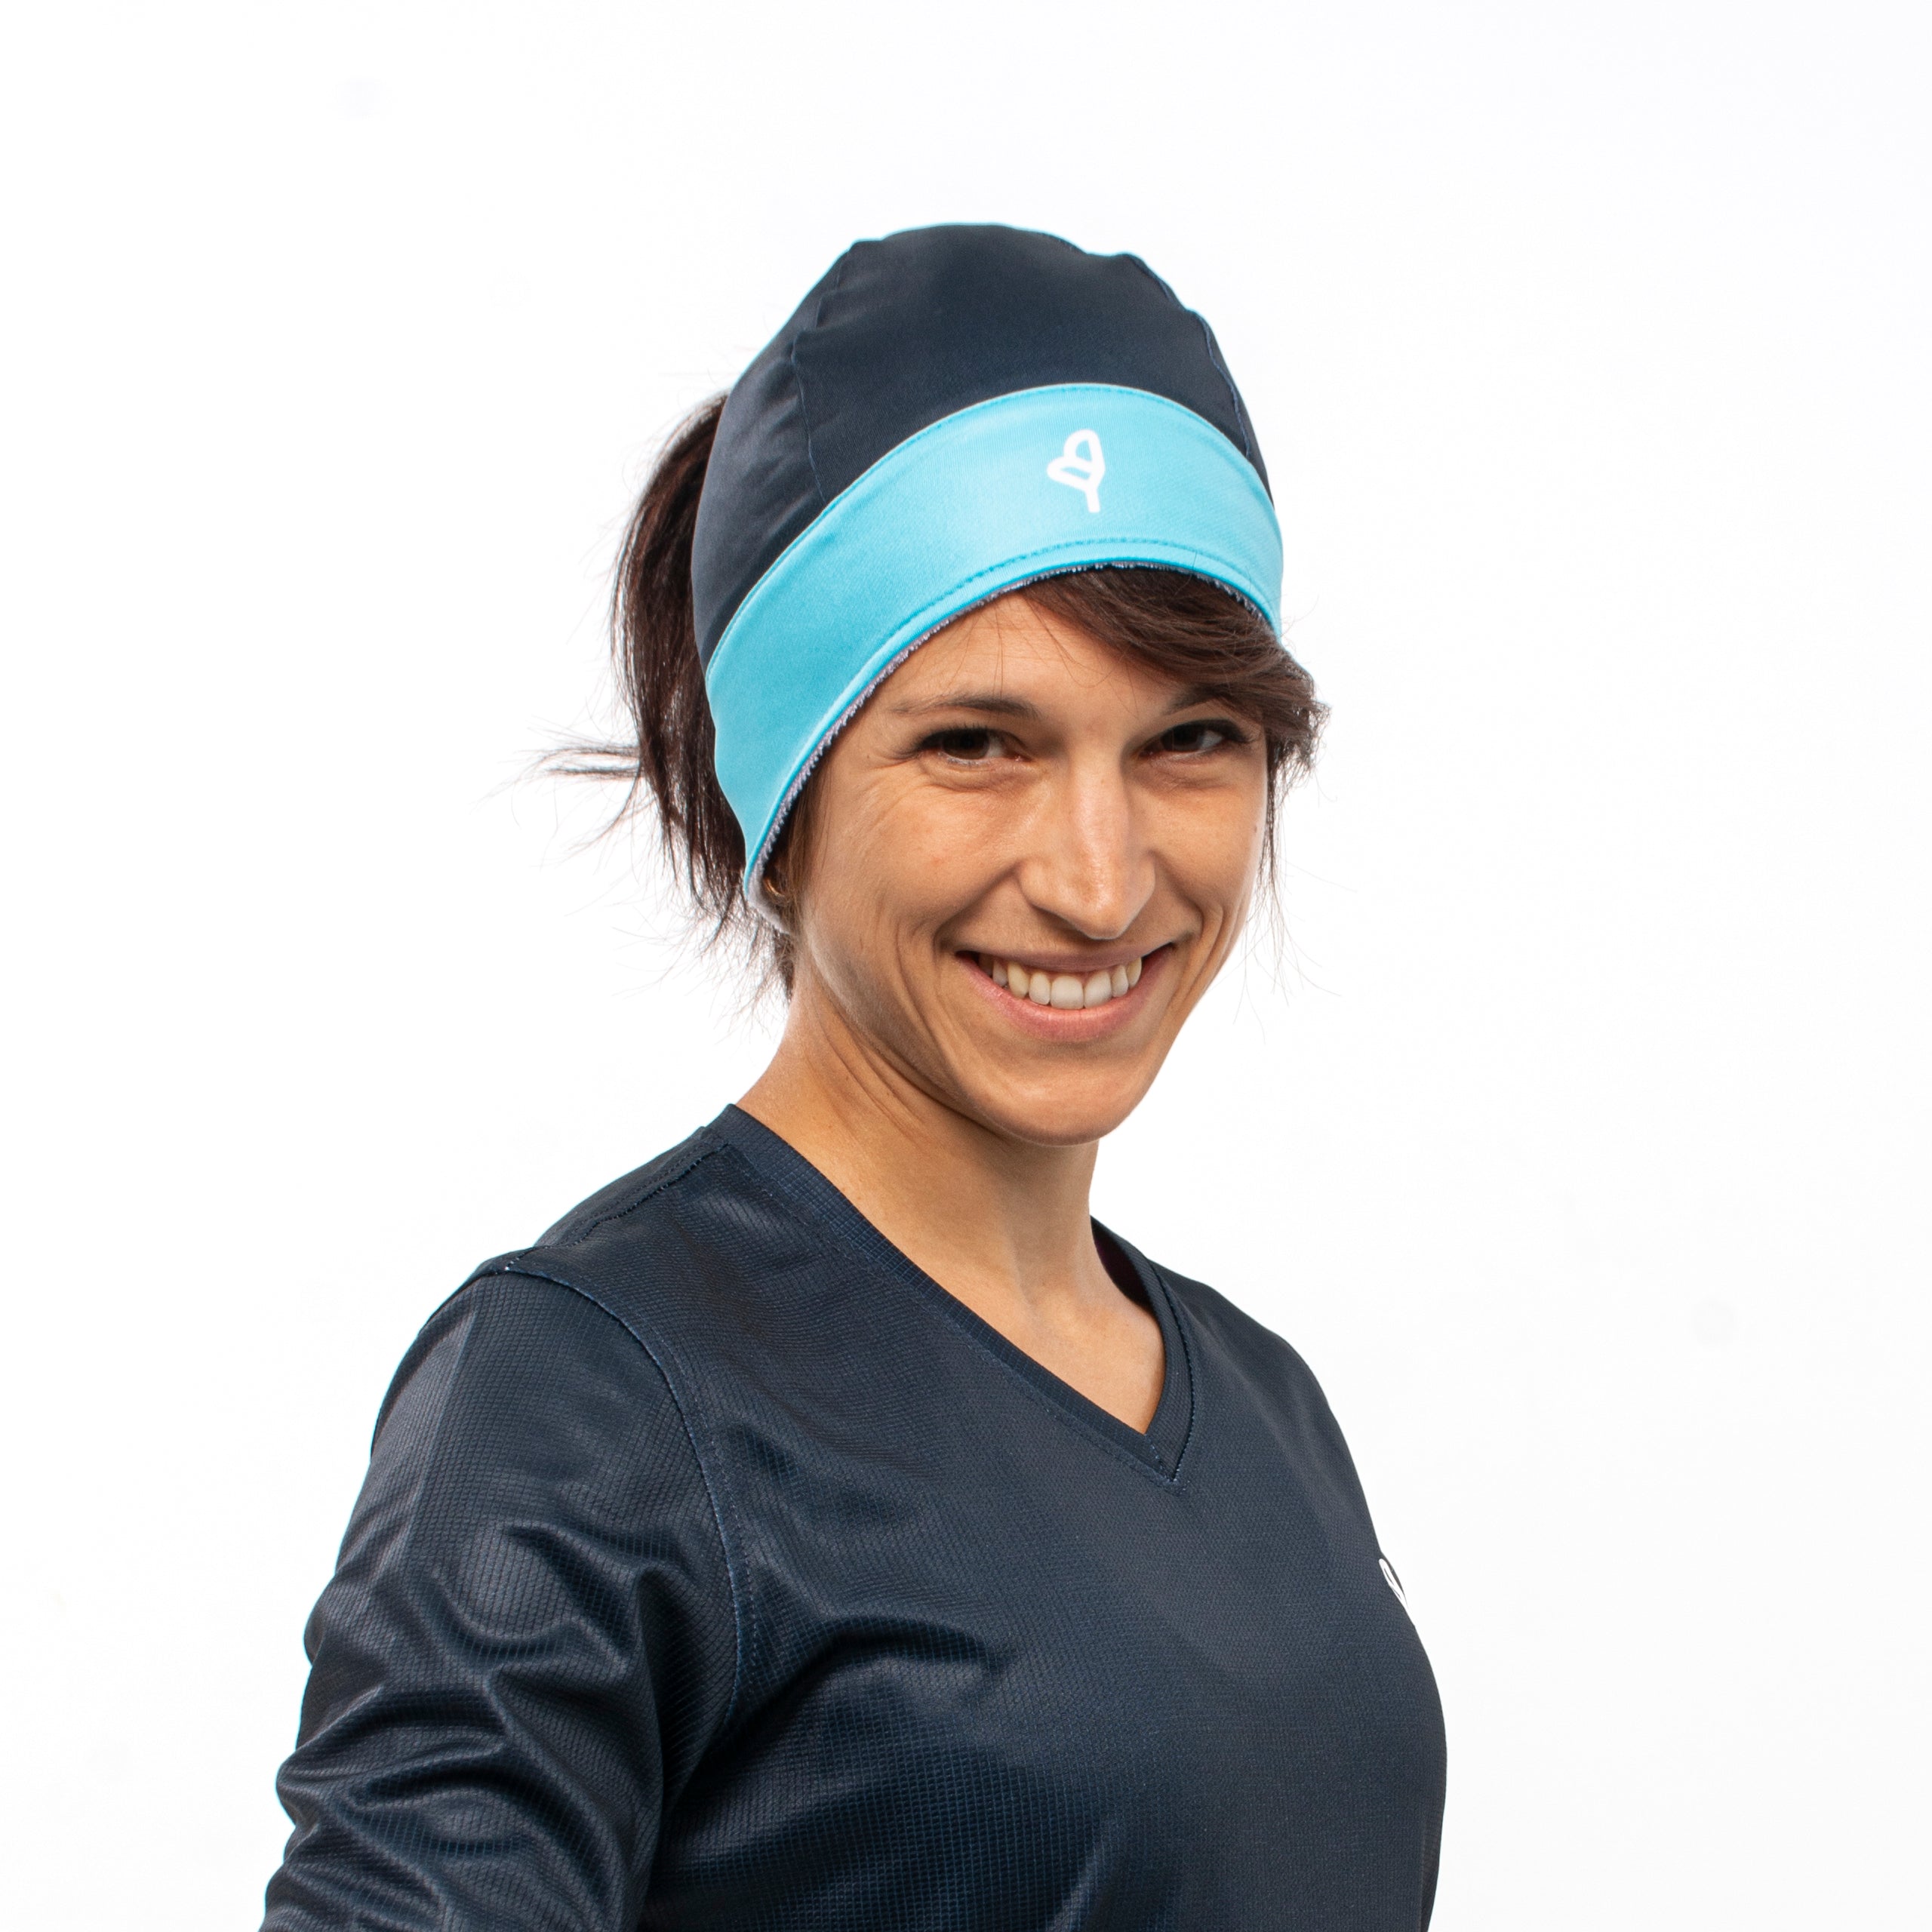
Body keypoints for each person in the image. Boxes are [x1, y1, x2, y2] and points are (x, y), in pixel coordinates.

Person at [263, 224, 1447, 1930]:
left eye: (1188, 738)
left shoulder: (1266, 1410)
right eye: (975, 745)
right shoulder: (595, 1397)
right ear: (784, 791)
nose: (1098, 879)